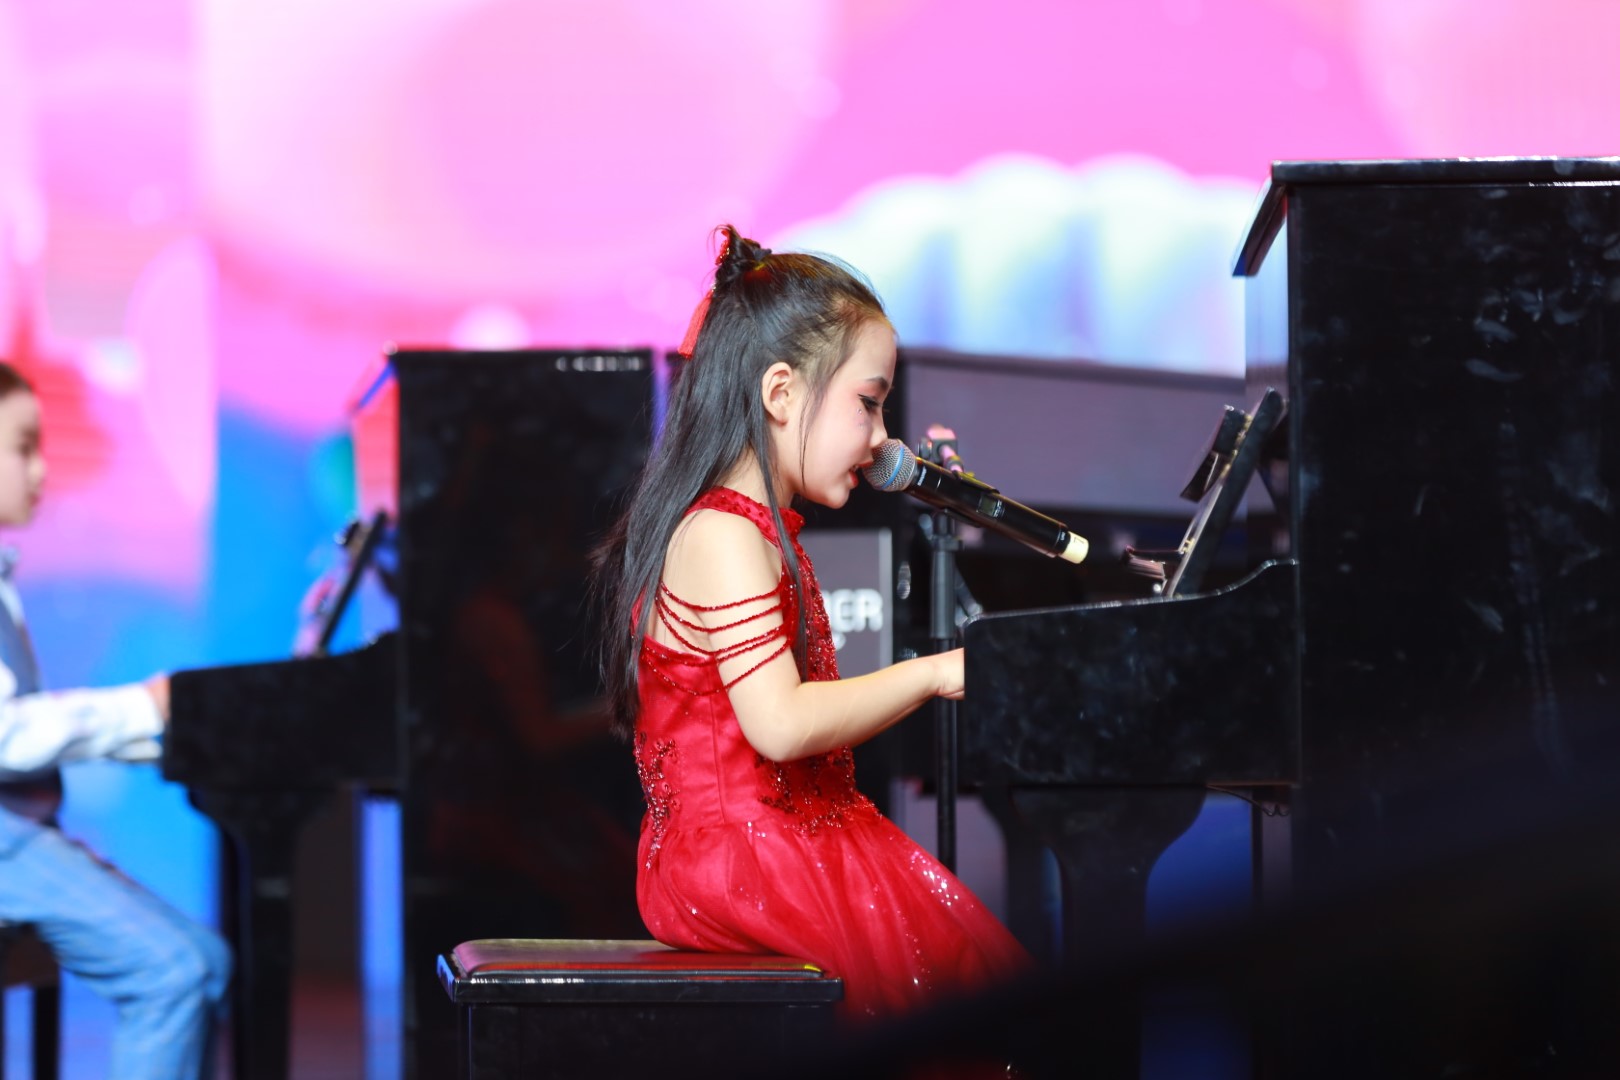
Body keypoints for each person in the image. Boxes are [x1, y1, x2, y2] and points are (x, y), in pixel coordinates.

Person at [592, 226, 1031, 1022]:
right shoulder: (721, 534)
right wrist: (934, 672)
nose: (882, 439)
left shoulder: (754, 531)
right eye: (868, 403)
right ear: (781, 393)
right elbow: (783, 725)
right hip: (746, 865)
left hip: (781, 844)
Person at [0, 361, 230, 1078]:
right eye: (24, 447)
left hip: (22, 833)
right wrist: (141, 709)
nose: (42, 469)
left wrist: (152, 728)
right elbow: (6, 736)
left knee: (208, 961)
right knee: (173, 973)